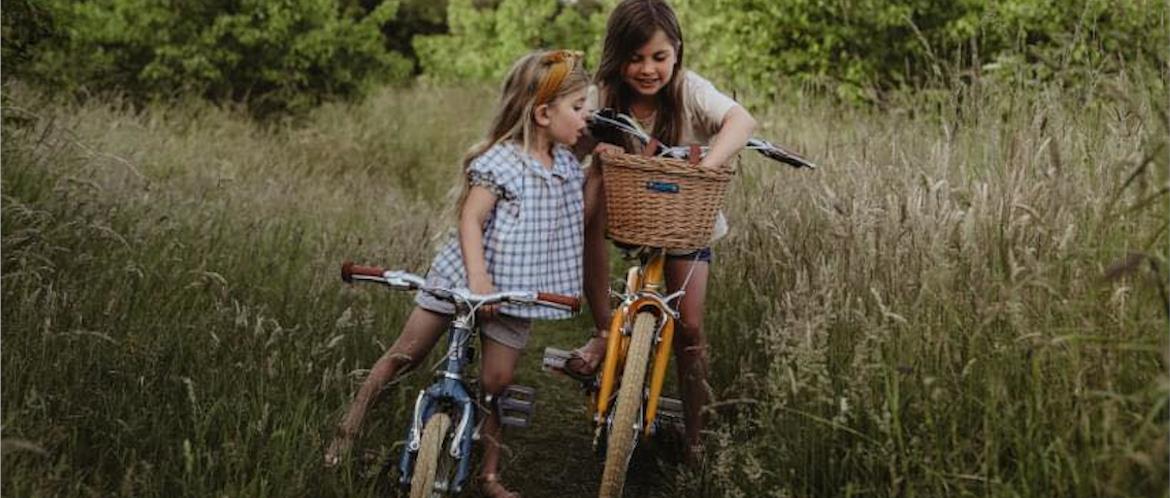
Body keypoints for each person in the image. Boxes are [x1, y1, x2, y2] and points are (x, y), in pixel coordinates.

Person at [326, 49, 591, 498]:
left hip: (514, 293)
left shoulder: (566, 166)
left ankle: (488, 474)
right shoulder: (502, 160)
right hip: (461, 278)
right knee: (406, 353)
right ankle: (347, 431)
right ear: (544, 113)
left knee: (496, 383)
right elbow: (471, 219)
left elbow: (569, 220)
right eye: (580, 108)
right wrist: (477, 278)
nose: (588, 118)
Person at [563, 0, 757, 466]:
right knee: (593, 180)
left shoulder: (689, 90)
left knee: (690, 330)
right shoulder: (605, 92)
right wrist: (585, 142)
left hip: (686, 218)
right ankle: (604, 327)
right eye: (635, 58)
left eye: (659, 57)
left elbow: (742, 121)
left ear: (676, 54)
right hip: (626, 210)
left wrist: (706, 167)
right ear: (617, 57)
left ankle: (696, 440)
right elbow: (573, 142)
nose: (647, 69)